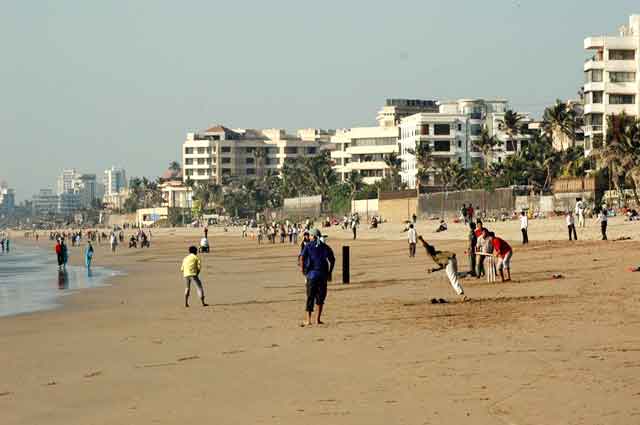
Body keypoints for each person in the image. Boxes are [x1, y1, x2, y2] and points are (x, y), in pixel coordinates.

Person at [299, 229, 335, 326]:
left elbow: (302, 258)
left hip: (312, 275)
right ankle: (317, 320)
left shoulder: (308, 246)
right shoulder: (325, 246)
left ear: (313, 236)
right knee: (320, 298)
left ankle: (308, 320)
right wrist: (330, 272)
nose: (309, 237)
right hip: (323, 275)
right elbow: (332, 259)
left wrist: (302, 270)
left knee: (310, 297)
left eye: (310, 236)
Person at [417, 235, 467, 300]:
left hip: (449, 262)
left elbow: (426, 246)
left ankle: (462, 295)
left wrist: (421, 239)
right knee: (455, 275)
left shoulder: (433, 255)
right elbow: (443, 266)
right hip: (453, 259)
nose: (426, 252)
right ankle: (466, 273)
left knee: (452, 279)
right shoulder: (438, 253)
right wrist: (434, 270)